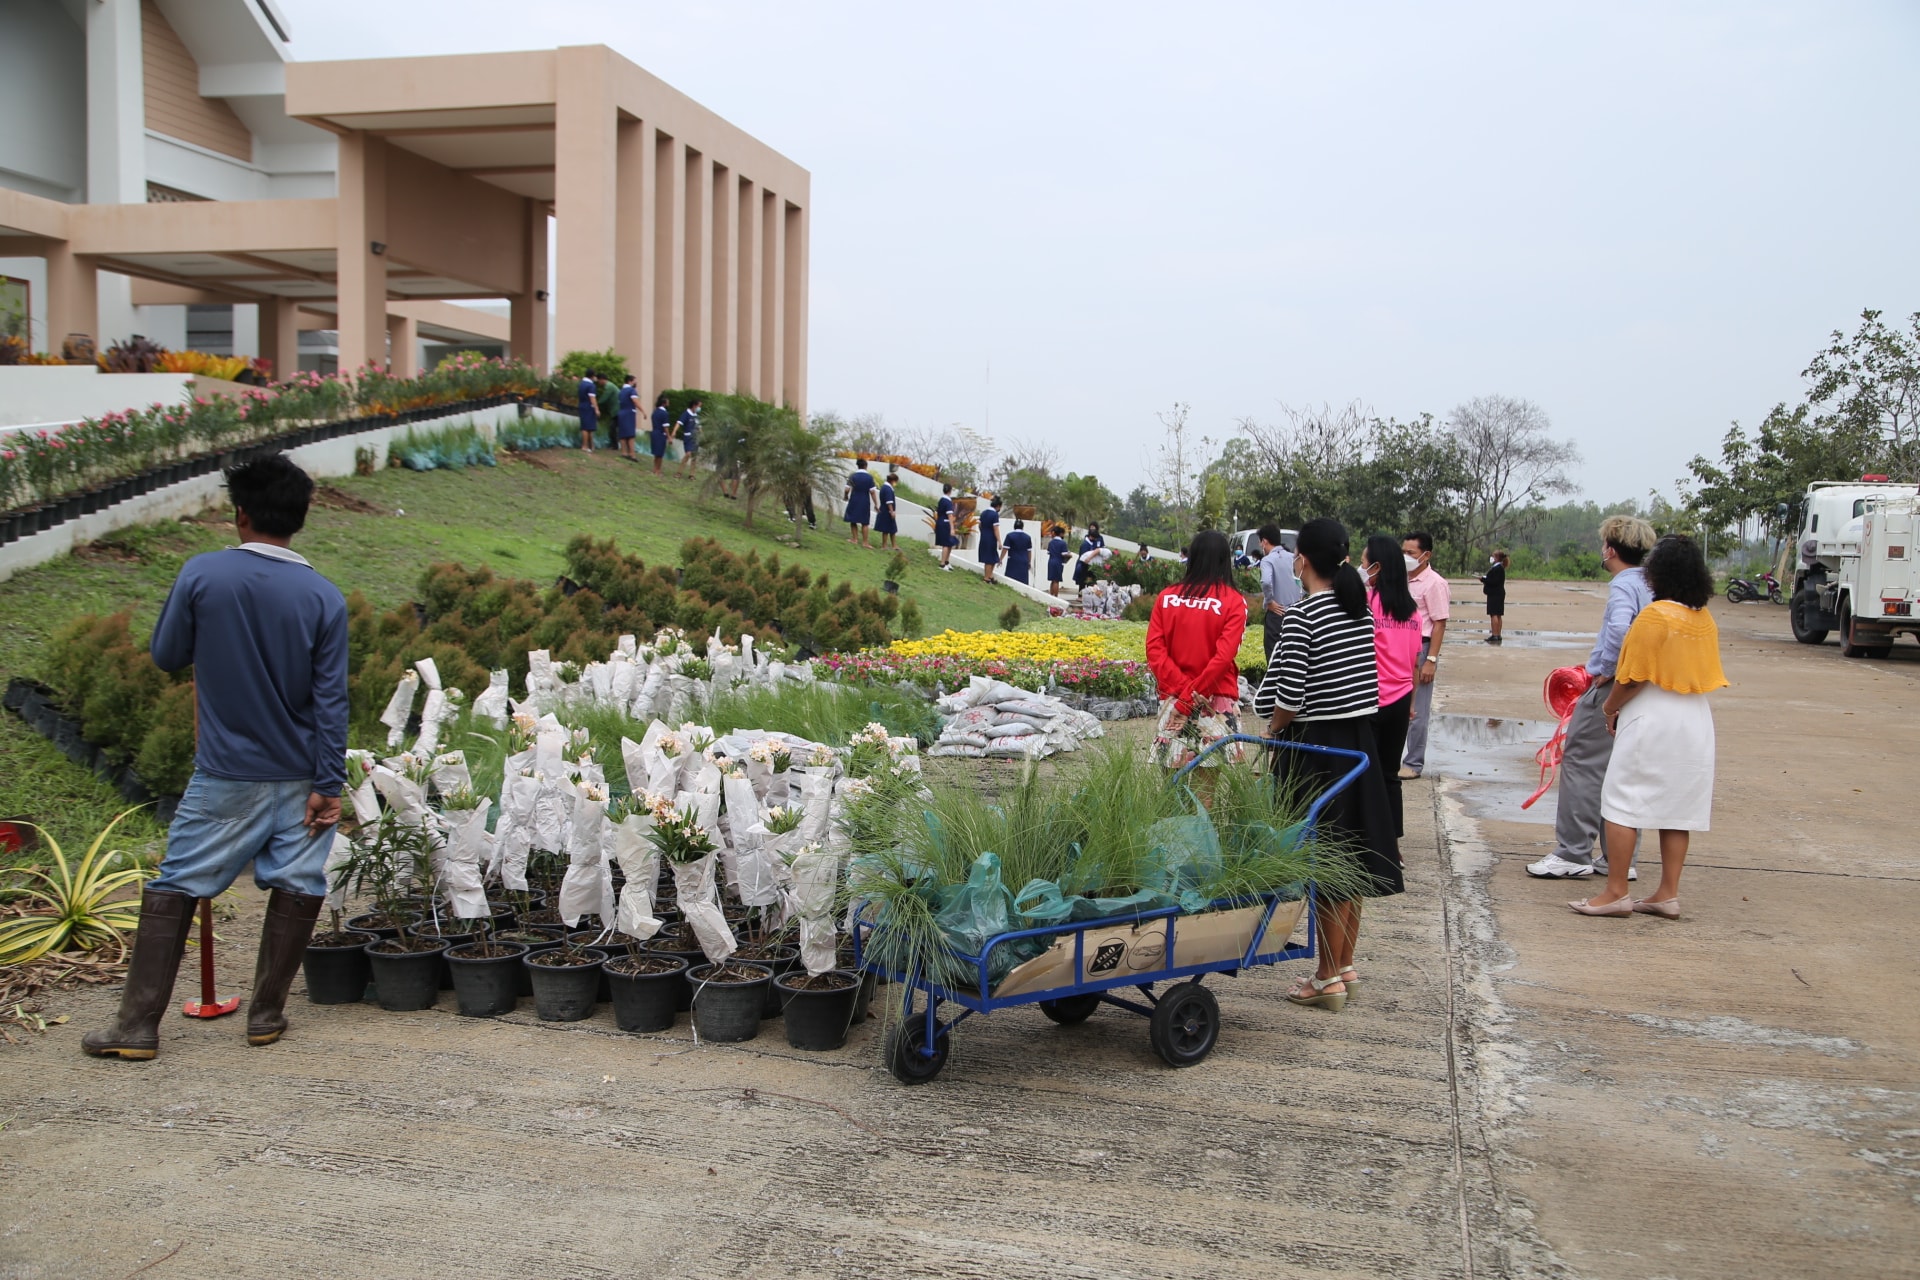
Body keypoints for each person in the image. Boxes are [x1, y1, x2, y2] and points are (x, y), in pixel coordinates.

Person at [83, 455, 347, 1059]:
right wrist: (328, 783)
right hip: (303, 774)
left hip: (226, 773)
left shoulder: (203, 575)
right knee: (298, 884)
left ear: (241, 514)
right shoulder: (323, 597)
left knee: (177, 883)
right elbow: (332, 699)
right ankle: (266, 1014)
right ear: (300, 518)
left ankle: (137, 1028)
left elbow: (168, 654)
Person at [1254, 517, 1403, 1012]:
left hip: (1316, 747)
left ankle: (1324, 978)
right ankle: (1343, 966)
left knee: (1325, 863)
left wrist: (1272, 731)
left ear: (1302, 561)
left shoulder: (1303, 616)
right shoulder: (1358, 610)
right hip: (1359, 744)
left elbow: (1289, 695)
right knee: (1351, 862)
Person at [1570, 535, 1726, 919]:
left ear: (1657, 573)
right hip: (1694, 716)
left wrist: (1608, 708)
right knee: (1678, 808)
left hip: (1653, 715)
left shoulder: (1655, 616)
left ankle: (1616, 892)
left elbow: (1633, 676)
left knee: (1622, 801)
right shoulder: (1703, 618)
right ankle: (1667, 893)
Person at [1528, 515, 1658, 879]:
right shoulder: (1653, 583)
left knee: (1581, 764)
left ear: (1611, 550)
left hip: (1611, 687)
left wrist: (1611, 672)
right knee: (1621, 771)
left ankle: (1572, 852)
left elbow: (1619, 629)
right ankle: (1619, 858)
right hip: (1645, 690)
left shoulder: (1623, 584)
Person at [1145, 528, 1248, 776]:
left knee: (1172, 790)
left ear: (1191, 558)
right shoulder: (1234, 601)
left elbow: (1154, 650)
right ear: (1226, 561)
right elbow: (1223, 658)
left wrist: (1182, 697)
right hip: (1214, 701)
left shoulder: (1166, 597)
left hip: (1173, 698)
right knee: (1206, 795)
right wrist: (1192, 697)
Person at [1361, 535, 1423, 838]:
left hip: (1371, 698)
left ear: (1378, 567)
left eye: (1364, 563)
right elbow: (1413, 662)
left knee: (1365, 773)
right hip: (1400, 701)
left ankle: (1369, 840)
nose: (1362, 570)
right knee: (1390, 774)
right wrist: (1411, 702)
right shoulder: (1412, 611)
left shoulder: (1368, 604)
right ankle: (1392, 844)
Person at [1398, 530, 1450, 780]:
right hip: (1399, 648)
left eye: (1411, 553)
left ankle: (1413, 763)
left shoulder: (1434, 584)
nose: (1405, 557)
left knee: (1417, 710)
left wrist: (1431, 660)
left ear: (1426, 555)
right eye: (1403, 552)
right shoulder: (1401, 579)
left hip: (1422, 648)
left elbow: (1440, 623)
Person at [1256, 524, 1301, 660]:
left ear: (1264, 542)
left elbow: (1266, 582)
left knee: (1274, 654)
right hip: (1296, 612)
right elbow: (1302, 580)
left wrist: (1269, 601)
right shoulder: (1293, 557)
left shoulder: (1267, 560)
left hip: (1277, 614)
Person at [843, 457, 876, 547]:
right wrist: (876, 504)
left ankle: (854, 539)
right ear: (865, 466)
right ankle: (865, 542)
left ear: (858, 466)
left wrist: (846, 496)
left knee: (853, 520)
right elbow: (872, 492)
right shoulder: (869, 477)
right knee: (865, 522)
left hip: (854, 499)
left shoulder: (852, 476)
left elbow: (847, 489)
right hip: (865, 500)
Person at [1479, 550, 1509, 644]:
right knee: (1498, 614)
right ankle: (1497, 634)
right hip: (1498, 593)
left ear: (1496, 558)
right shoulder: (1499, 568)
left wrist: (1484, 579)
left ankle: (1495, 634)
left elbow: (1494, 582)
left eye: (1493, 556)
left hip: (1495, 594)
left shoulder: (1497, 568)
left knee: (1494, 614)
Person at [674, 396, 702, 479]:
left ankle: (692, 474)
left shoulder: (697, 416)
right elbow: (679, 423)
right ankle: (679, 472)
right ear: (694, 405)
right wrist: (674, 431)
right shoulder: (686, 414)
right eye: (699, 406)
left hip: (695, 437)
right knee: (688, 454)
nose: (699, 408)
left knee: (694, 456)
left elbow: (699, 427)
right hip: (688, 437)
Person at [1074, 522, 1109, 588]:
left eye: (1094, 528)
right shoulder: (1086, 543)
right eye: (1091, 528)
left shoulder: (1099, 538)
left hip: (1093, 563)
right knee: (1083, 580)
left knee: (1091, 580)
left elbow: (1101, 548)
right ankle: (1081, 595)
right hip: (1086, 563)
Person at [977, 496, 1002, 583]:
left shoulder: (984, 513)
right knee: (989, 558)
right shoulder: (995, 514)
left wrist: (983, 532)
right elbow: (996, 529)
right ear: (998, 506)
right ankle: (986, 578)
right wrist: (999, 541)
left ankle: (990, 575)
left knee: (993, 557)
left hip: (984, 537)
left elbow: (979, 525)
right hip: (991, 538)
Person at [934, 484, 959, 570]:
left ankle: (946, 562)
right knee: (946, 543)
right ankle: (942, 564)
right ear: (950, 491)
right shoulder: (947, 501)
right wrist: (952, 528)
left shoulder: (941, 500)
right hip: (945, 523)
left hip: (941, 522)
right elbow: (950, 515)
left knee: (950, 543)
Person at [614, 375, 639, 459]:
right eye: (634, 381)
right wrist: (643, 411)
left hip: (621, 412)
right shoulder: (632, 390)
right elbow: (635, 401)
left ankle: (624, 452)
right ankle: (632, 454)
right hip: (629, 413)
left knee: (623, 434)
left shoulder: (621, 391)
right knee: (631, 434)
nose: (636, 382)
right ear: (630, 381)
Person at [1004, 518, 1033, 585]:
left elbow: (1005, 549)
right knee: (1023, 581)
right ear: (1022, 527)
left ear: (1014, 526)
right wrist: (1029, 562)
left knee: (1011, 580)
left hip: (1013, 561)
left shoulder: (1010, 536)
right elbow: (1029, 551)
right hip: (1024, 561)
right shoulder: (1027, 537)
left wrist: (1000, 559)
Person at [874, 472, 900, 549]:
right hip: (887, 511)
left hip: (885, 510)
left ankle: (894, 545)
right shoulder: (888, 489)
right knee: (886, 529)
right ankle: (884, 545)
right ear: (893, 481)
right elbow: (889, 502)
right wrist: (892, 512)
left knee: (892, 529)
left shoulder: (884, 487)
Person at [594, 373, 619, 451]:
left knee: (612, 428)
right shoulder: (610, 386)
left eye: (598, 381)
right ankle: (615, 445)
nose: (598, 383)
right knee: (614, 428)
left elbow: (604, 398)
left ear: (602, 379)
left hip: (617, 411)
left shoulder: (609, 387)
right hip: (616, 411)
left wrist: (595, 404)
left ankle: (614, 445)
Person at [648, 394, 671, 475]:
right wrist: (669, 437)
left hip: (654, 432)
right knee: (660, 454)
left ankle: (654, 468)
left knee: (656, 453)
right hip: (661, 434)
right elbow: (665, 427)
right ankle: (658, 470)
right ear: (664, 403)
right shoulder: (664, 413)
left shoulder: (655, 412)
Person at [576, 369, 598, 451]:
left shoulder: (581, 384)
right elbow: (592, 398)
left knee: (587, 426)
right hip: (589, 406)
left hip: (582, 405)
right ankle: (585, 446)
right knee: (587, 427)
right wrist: (596, 409)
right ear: (592, 376)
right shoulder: (591, 386)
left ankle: (591, 446)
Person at [1046, 524, 1070, 597]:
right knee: (1056, 580)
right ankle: (1055, 596)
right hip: (1058, 562)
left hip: (1051, 561)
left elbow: (1048, 552)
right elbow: (1064, 554)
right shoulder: (1063, 543)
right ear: (1060, 533)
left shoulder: (1051, 542)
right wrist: (1070, 555)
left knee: (1052, 580)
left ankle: (1051, 595)